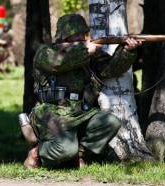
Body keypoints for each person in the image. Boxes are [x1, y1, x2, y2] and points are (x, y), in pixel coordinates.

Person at [23, 14, 142, 169]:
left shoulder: (89, 54)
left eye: (83, 34)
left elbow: (111, 69)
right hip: (52, 112)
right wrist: (85, 50)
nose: (81, 37)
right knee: (64, 149)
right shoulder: (45, 52)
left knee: (110, 122)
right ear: (64, 35)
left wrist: (127, 50)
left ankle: (78, 156)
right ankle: (36, 153)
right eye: (75, 34)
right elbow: (58, 63)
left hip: (82, 112)